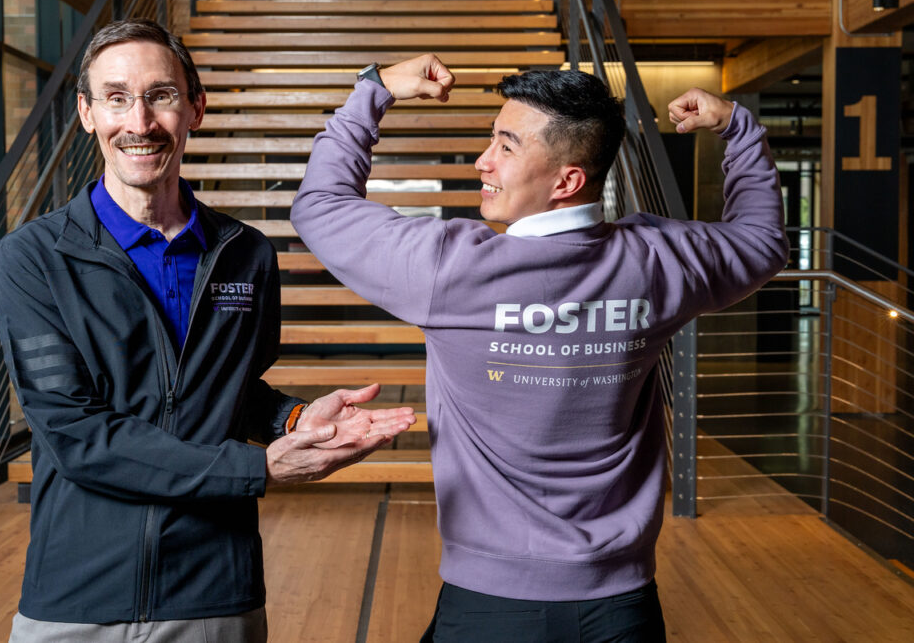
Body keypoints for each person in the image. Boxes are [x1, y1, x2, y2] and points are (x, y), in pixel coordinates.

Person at [291, 56, 789, 641]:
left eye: (505, 146)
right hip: (623, 605)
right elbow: (762, 242)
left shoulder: (448, 268)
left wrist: (373, 91)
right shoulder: (660, 262)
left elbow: (319, 205)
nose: (484, 161)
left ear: (566, 181)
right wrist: (738, 128)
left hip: (490, 605)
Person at [0, 18, 415, 642]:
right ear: (86, 114)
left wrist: (295, 420)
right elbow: (76, 434)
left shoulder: (246, 254)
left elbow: (229, 391)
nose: (138, 123)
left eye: (160, 96)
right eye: (115, 98)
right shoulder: (33, 258)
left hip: (215, 590)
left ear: (196, 107)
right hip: (78, 597)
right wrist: (262, 470)